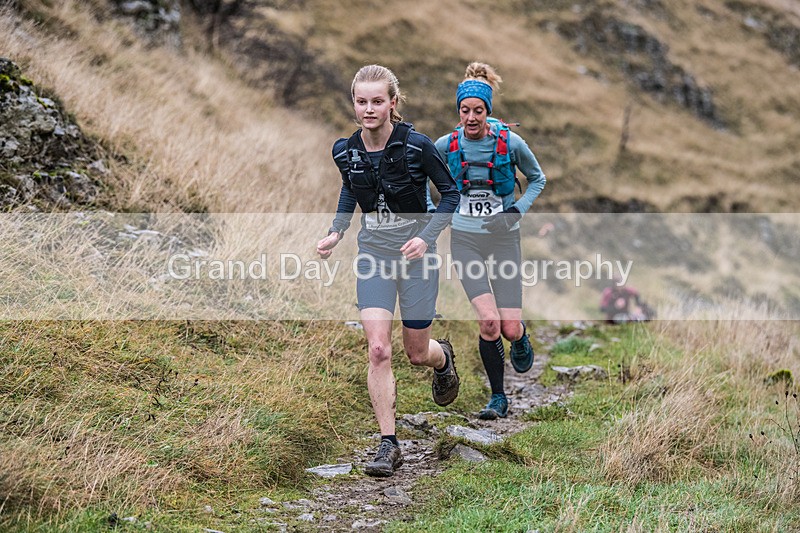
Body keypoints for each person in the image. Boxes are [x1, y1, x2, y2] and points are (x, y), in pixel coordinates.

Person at [317, 65, 460, 477]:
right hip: (374, 257)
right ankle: (388, 444)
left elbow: (450, 195)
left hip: (417, 259)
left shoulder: (418, 147)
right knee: (378, 349)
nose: (368, 109)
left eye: (377, 101)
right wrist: (336, 231)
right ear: (354, 103)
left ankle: (442, 357)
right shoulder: (345, 150)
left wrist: (427, 238)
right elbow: (350, 187)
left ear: (393, 103)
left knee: (417, 353)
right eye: (361, 101)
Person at [434, 62, 546, 420]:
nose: (471, 117)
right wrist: (435, 213)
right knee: (488, 323)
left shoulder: (511, 143)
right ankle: (498, 397)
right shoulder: (444, 146)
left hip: (504, 240)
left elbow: (538, 179)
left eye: (477, 111)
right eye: (464, 111)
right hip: (465, 240)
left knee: (509, 328)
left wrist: (516, 212)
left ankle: (522, 336)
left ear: (488, 112)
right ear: (458, 112)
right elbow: (423, 179)